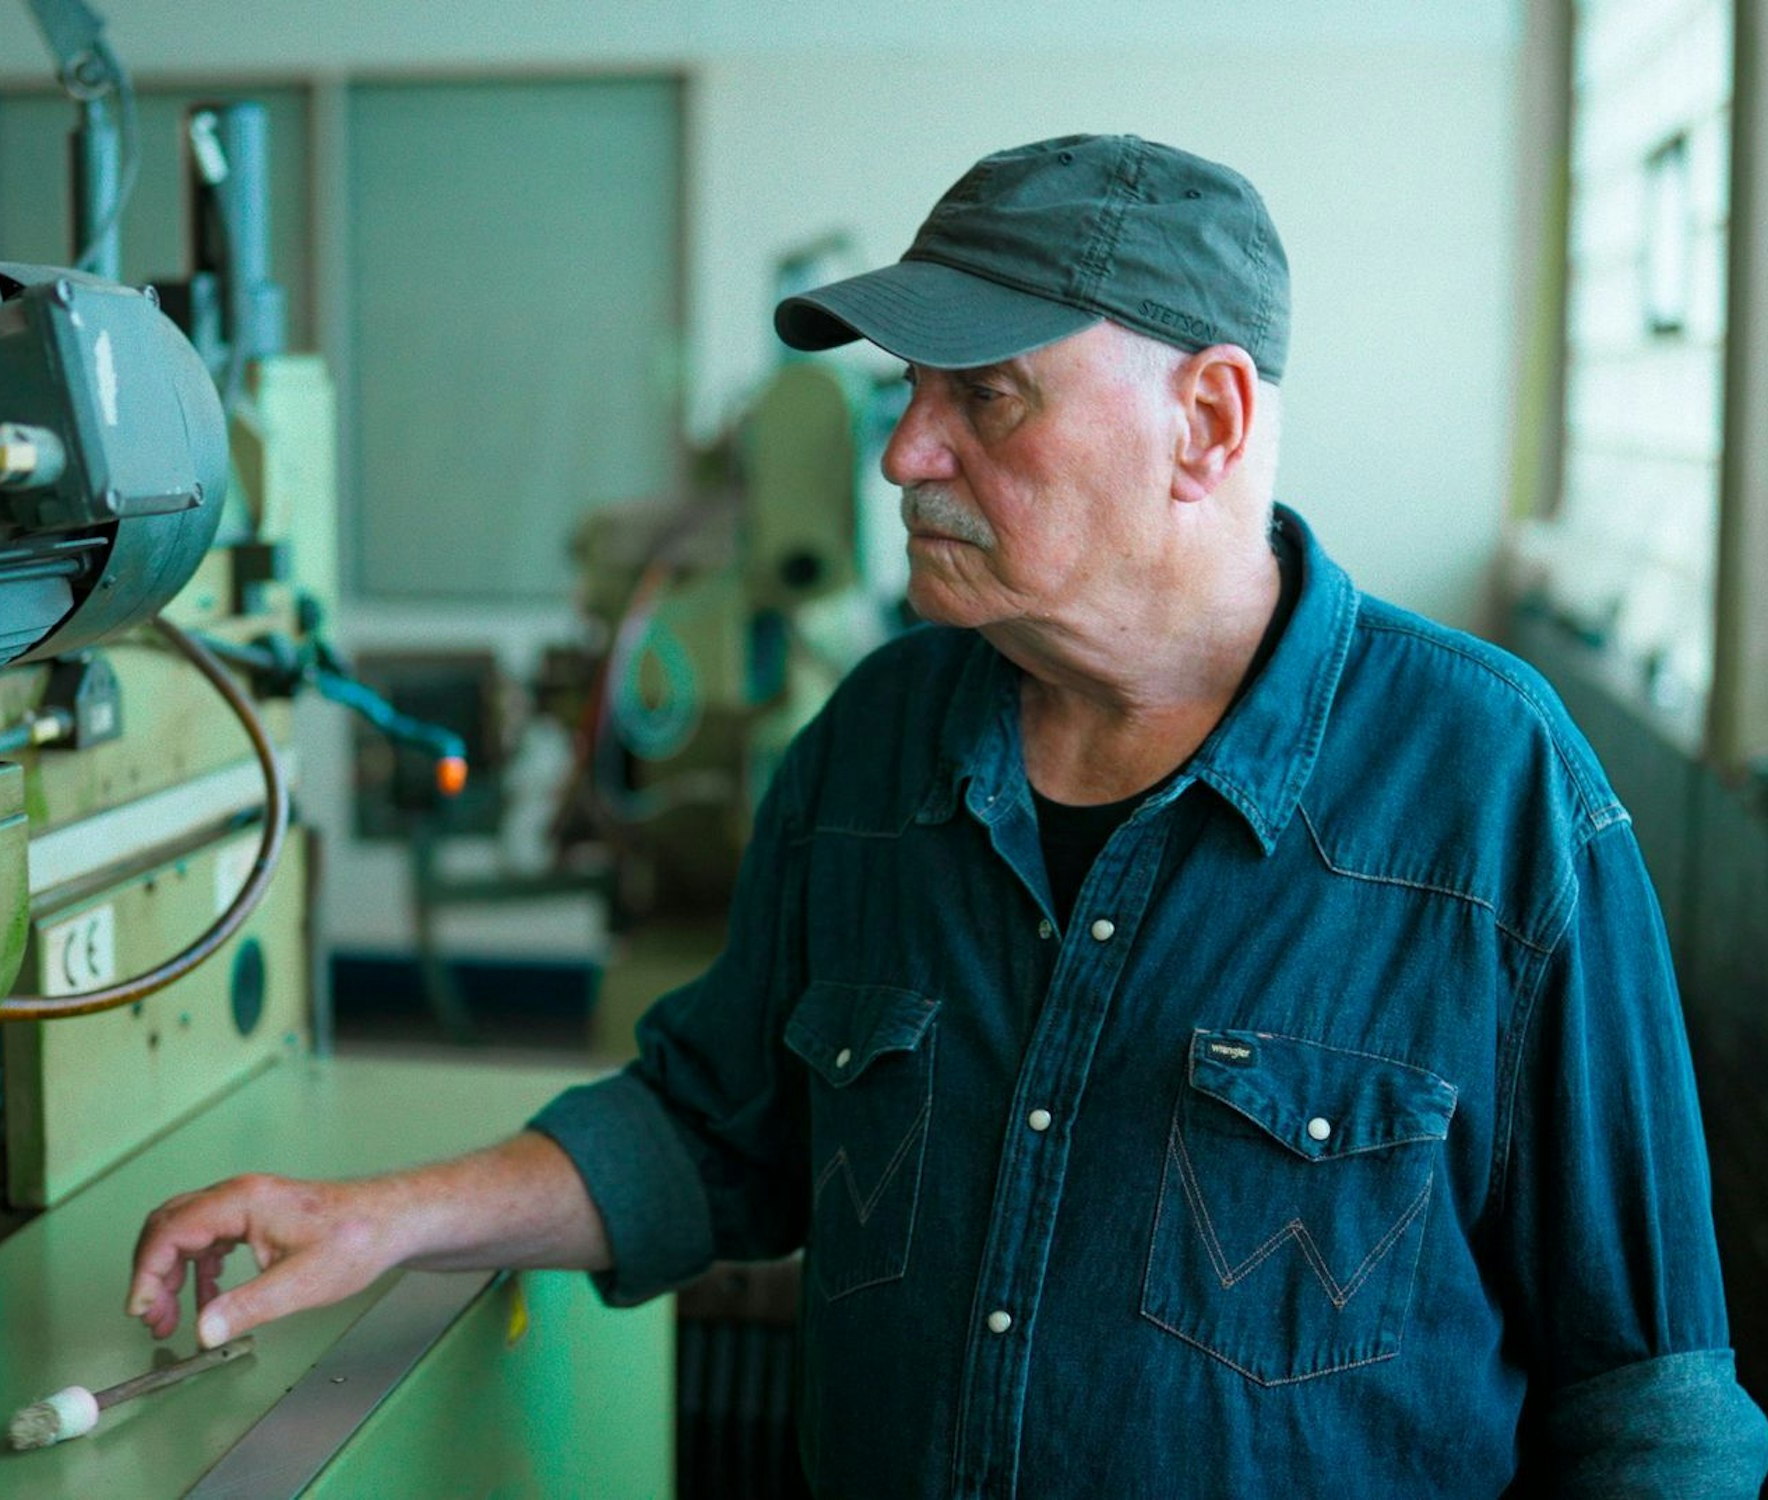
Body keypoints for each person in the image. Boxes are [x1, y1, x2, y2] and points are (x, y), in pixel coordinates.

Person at [127, 134, 1768, 1496]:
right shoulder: (875, 754)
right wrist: (377, 1222)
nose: (907, 449)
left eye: (990, 397)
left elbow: (1648, 1412)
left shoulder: (1490, 794)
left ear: (1207, 422)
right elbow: (717, 1126)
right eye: (915, 388)